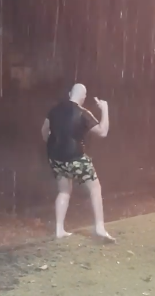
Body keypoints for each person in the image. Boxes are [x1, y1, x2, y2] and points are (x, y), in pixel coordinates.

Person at [41, 83, 115, 241]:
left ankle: (59, 230)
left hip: (56, 158)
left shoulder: (54, 110)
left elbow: (44, 131)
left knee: (63, 191)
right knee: (95, 189)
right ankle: (100, 228)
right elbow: (103, 132)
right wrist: (105, 109)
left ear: (69, 94)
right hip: (75, 158)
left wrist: (53, 145)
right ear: (83, 97)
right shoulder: (83, 113)